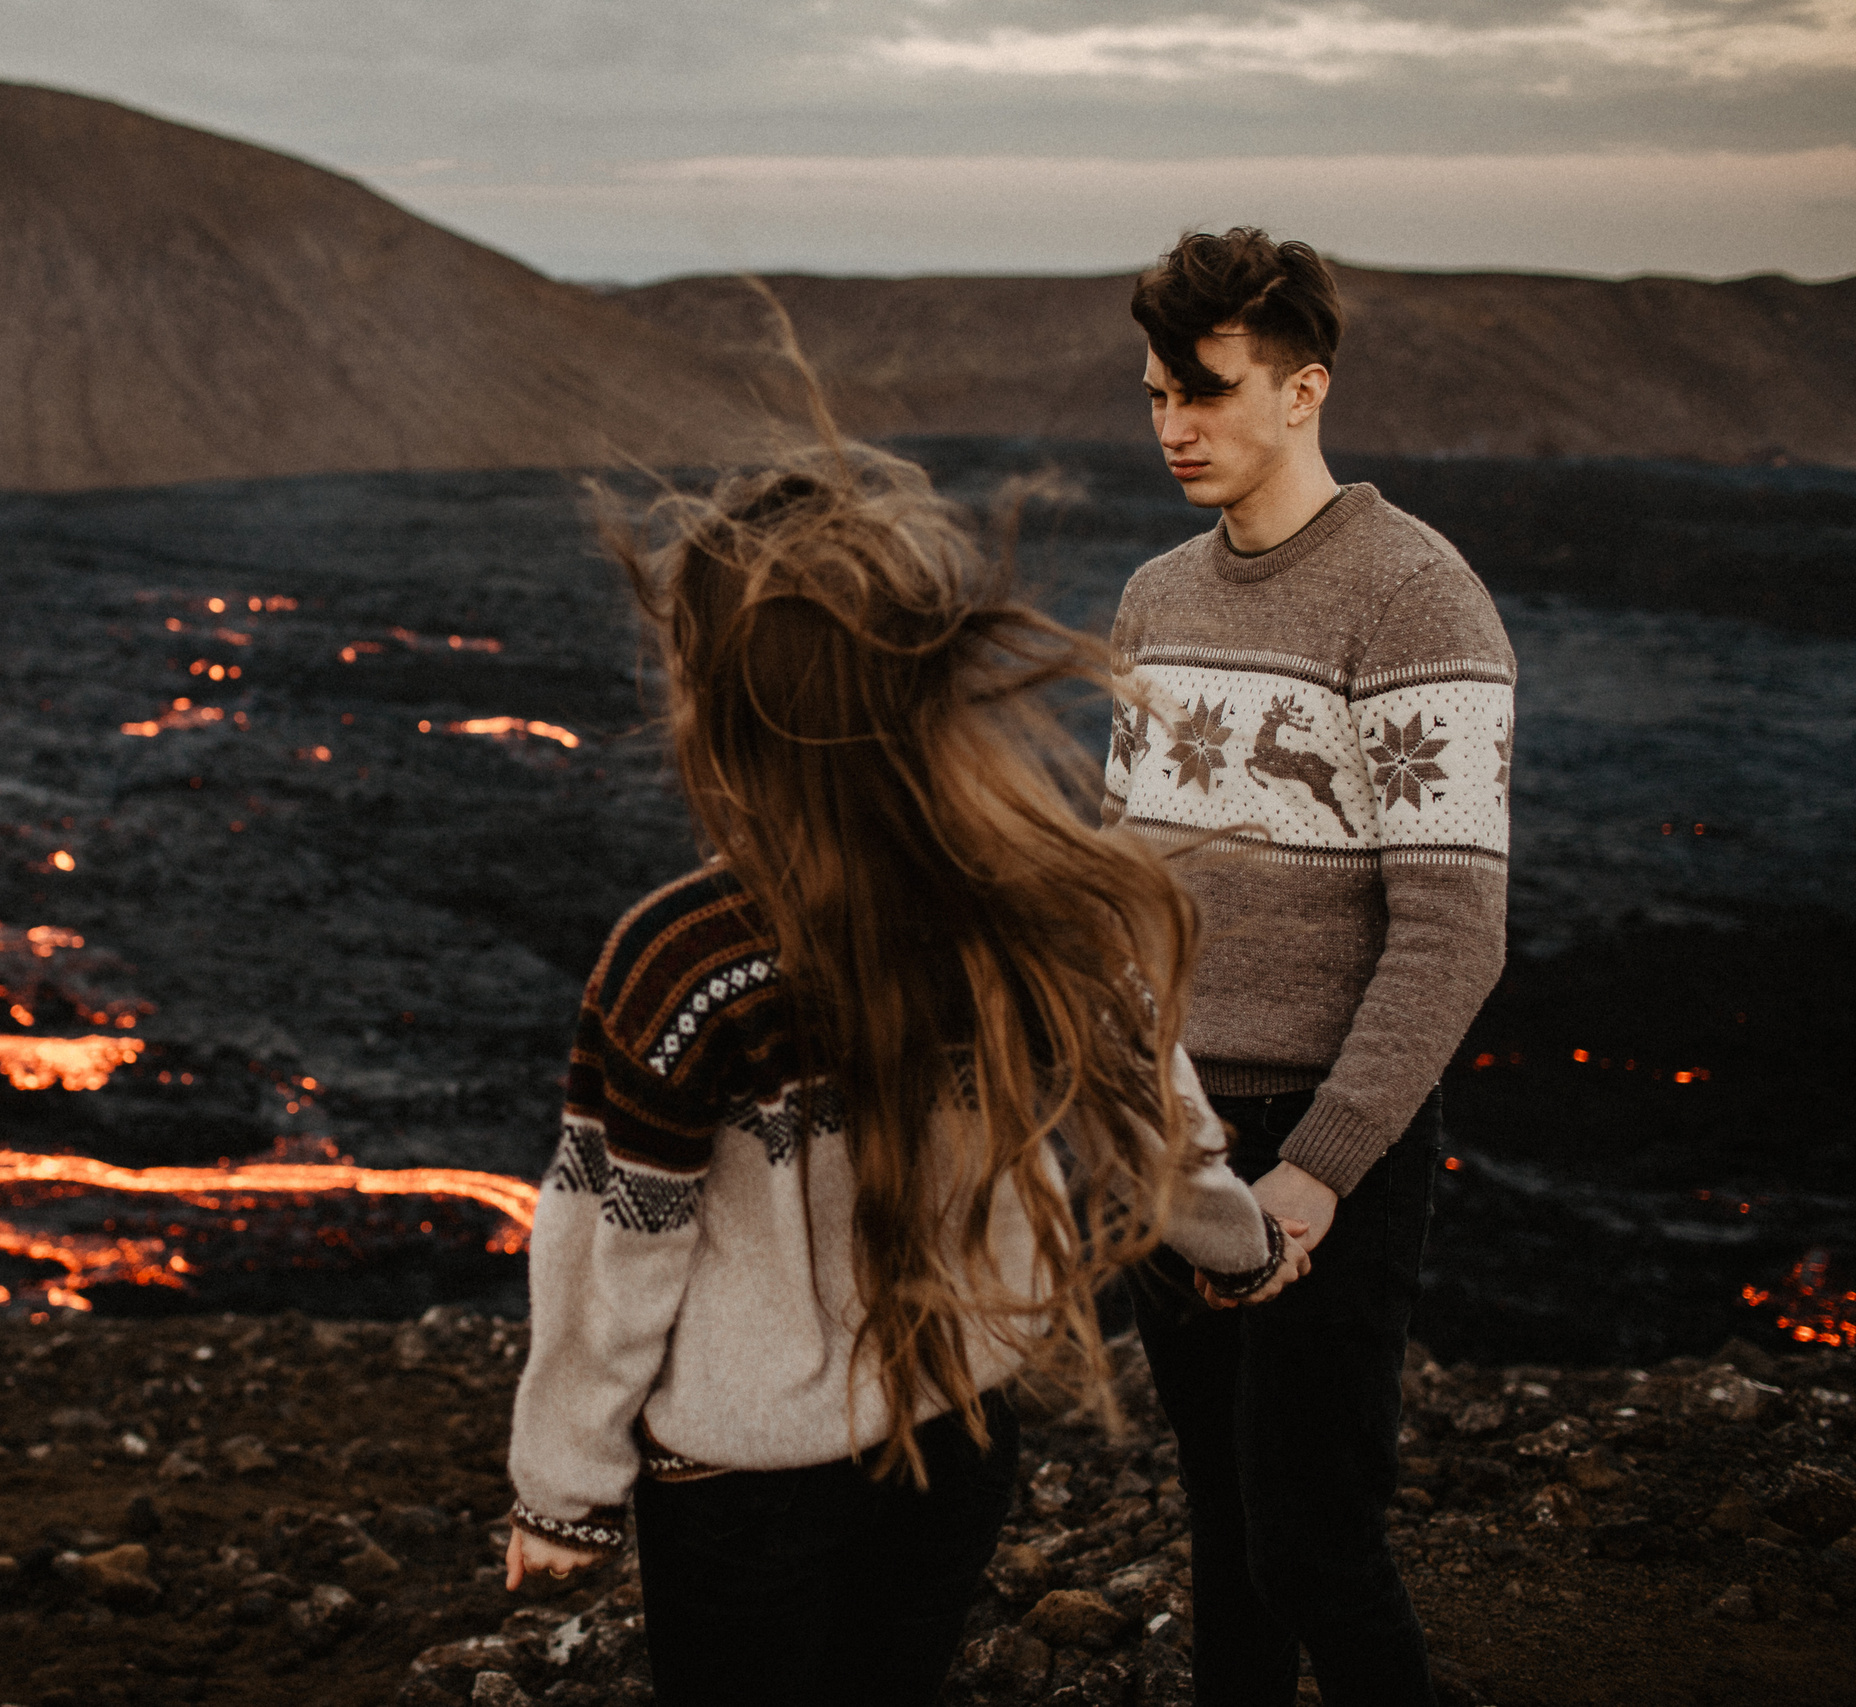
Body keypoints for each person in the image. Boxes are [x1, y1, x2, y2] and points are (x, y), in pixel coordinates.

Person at [499, 385, 1309, 1707]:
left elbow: (616, 1248)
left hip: (744, 1477)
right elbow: (1155, 1126)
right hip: (961, 1424)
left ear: (720, 701)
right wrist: (1247, 1252)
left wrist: (565, 1495)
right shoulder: (1041, 894)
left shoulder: (686, 960)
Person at [1103, 228, 1516, 1706]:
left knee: (1316, 1549)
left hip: (1325, 1147)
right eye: (1154, 393)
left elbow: (1454, 927)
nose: (1171, 427)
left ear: (1304, 390)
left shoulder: (1416, 598)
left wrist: (1326, 1166)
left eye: (1204, 391)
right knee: (1227, 1534)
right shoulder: (1155, 595)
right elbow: (1121, 877)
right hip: (1179, 1141)